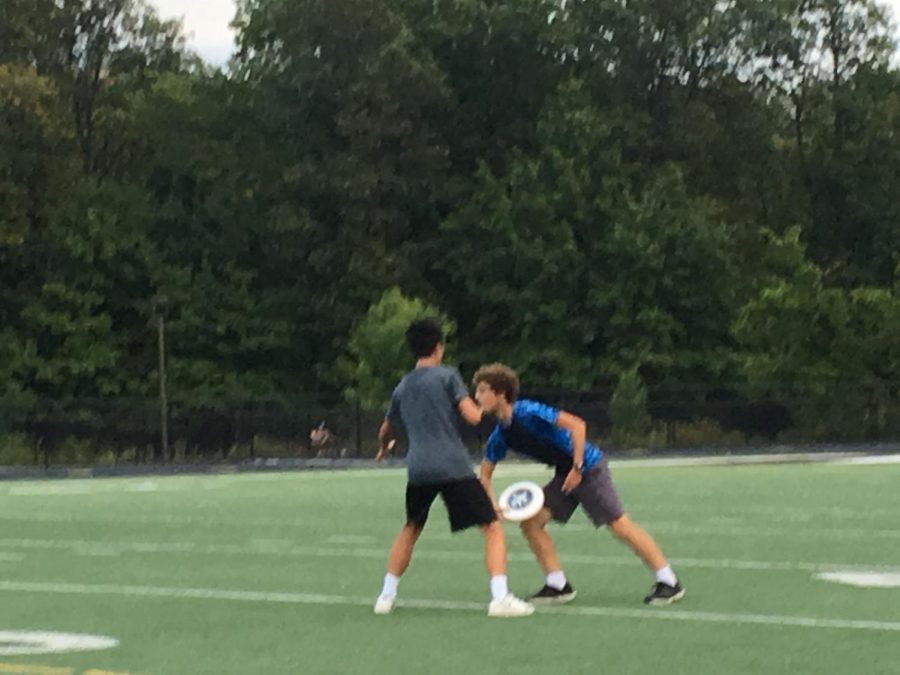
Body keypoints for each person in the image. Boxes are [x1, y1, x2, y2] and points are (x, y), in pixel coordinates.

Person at [473, 363, 685, 606]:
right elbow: (485, 474)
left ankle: (668, 581)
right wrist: (491, 504)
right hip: (566, 474)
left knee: (618, 524)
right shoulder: (500, 435)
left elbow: (576, 425)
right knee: (531, 523)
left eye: (482, 390)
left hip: (588, 468)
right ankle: (557, 585)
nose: (476, 397)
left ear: (501, 393)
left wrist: (577, 467)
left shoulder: (527, 411)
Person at [373, 320, 534, 618]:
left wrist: (384, 447)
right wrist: (491, 402)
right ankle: (500, 598)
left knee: (411, 528)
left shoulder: (403, 385)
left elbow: (386, 427)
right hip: (452, 466)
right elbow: (472, 417)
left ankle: (386, 596)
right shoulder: (448, 377)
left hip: (418, 470)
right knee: (491, 527)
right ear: (438, 346)